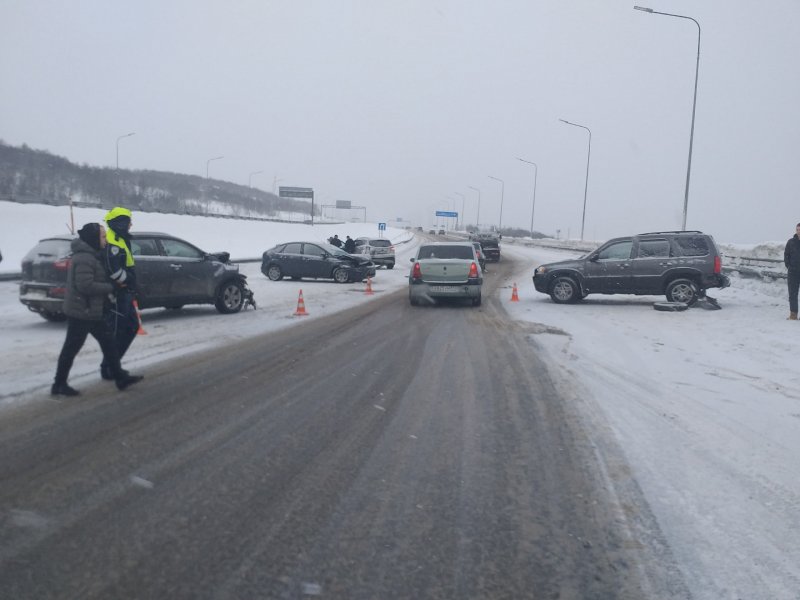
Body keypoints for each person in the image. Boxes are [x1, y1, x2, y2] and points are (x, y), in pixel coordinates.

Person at [52, 223, 143, 396]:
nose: (106, 239)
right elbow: (85, 286)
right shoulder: (84, 258)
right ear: (93, 238)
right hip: (81, 311)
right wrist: (111, 287)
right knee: (71, 348)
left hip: (91, 310)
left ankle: (119, 377)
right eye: (102, 236)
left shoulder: (92, 255)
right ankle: (59, 384)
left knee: (108, 343)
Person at [101, 206, 140, 379]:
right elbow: (113, 270)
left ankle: (112, 366)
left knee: (131, 327)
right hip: (117, 293)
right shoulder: (112, 241)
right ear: (120, 223)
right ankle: (109, 368)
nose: (131, 225)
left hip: (125, 291)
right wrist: (127, 281)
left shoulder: (121, 238)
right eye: (128, 222)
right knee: (117, 331)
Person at [784, 222, 800, 320]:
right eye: (797, 230)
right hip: (793, 272)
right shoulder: (791, 242)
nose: (799, 232)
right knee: (792, 293)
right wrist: (789, 266)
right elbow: (786, 254)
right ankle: (793, 314)